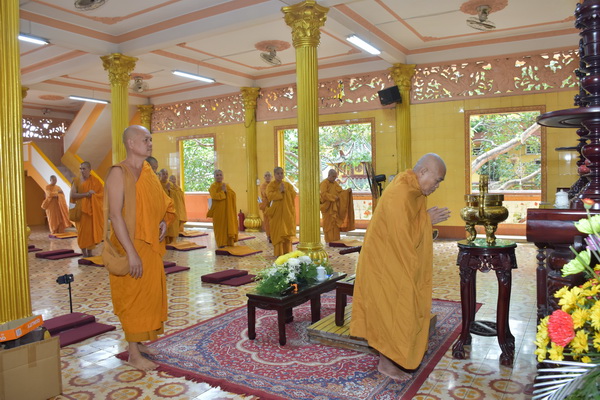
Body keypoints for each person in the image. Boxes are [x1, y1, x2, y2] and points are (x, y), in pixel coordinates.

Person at [350, 153, 450, 379]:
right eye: (437, 180)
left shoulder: (412, 189)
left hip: (394, 259)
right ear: (423, 172)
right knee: (391, 311)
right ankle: (386, 364)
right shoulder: (401, 192)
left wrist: (423, 220)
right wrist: (427, 221)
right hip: (385, 263)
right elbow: (400, 236)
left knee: (399, 309)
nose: (437, 186)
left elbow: (405, 228)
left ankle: (397, 356)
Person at [105, 125, 175, 371]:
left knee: (148, 297)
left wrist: (163, 221)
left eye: (150, 140)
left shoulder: (147, 171)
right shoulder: (119, 172)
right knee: (132, 298)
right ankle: (133, 354)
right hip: (130, 246)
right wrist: (131, 253)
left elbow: (160, 204)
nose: (150, 143)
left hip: (150, 245)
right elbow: (115, 215)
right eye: (145, 140)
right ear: (131, 143)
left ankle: (140, 342)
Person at [70, 161, 104, 257]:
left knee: (90, 232)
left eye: (84, 169)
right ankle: (84, 252)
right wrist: (86, 194)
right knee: (82, 232)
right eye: (80, 169)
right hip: (81, 210)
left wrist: (94, 195)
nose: (82, 171)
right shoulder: (77, 181)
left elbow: (102, 194)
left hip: (92, 210)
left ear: (90, 170)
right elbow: (73, 194)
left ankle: (90, 252)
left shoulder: (96, 181)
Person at [265, 167, 296, 256]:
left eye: (281, 173)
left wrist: (286, 192)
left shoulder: (288, 185)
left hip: (287, 213)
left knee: (287, 233)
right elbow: (269, 196)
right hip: (276, 213)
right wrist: (279, 191)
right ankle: (278, 253)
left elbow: (293, 195)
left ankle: (288, 252)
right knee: (278, 233)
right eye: (278, 173)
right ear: (274, 175)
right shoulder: (271, 185)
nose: (280, 175)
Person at [319, 169, 355, 243]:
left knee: (335, 223)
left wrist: (347, 192)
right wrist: (333, 197)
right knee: (328, 223)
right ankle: (329, 240)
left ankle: (335, 239)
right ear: (329, 175)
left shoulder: (335, 183)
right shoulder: (324, 183)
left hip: (334, 207)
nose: (334, 178)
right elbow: (323, 194)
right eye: (333, 177)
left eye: (335, 177)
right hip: (327, 207)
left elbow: (340, 192)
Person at [207, 170, 238, 247]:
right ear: (214, 177)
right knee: (219, 227)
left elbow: (233, 194)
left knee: (227, 225)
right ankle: (221, 243)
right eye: (217, 175)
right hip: (218, 210)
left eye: (220, 175)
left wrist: (227, 191)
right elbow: (215, 196)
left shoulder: (226, 185)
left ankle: (229, 242)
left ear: (223, 176)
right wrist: (223, 192)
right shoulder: (213, 186)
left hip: (227, 210)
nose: (219, 176)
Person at [158, 169, 179, 244]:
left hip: (170, 208)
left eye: (166, 174)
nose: (165, 175)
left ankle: (172, 242)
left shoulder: (170, 184)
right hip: (162, 208)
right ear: (160, 175)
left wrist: (169, 190)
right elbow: (159, 195)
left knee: (171, 226)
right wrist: (166, 189)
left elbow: (176, 195)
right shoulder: (158, 184)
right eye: (163, 174)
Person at [258, 171, 272, 242]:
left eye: (269, 175)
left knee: (273, 221)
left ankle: (274, 234)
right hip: (266, 205)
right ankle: (269, 235)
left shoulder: (273, 184)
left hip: (273, 204)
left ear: (271, 177)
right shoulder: (263, 186)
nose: (267, 177)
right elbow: (266, 194)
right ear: (264, 177)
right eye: (266, 175)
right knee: (267, 221)